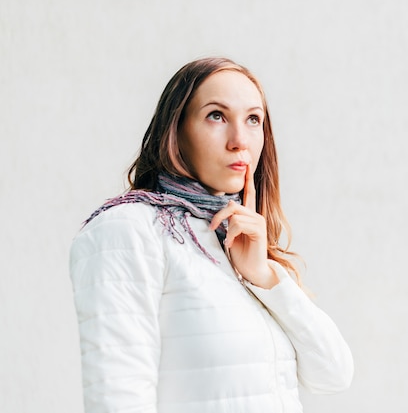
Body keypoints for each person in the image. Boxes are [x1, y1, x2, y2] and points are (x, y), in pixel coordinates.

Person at [69, 57, 353, 413]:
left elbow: (334, 374)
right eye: (216, 115)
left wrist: (263, 277)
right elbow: (117, 398)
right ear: (177, 130)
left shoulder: (237, 242)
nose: (239, 141)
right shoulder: (128, 231)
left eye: (253, 120)